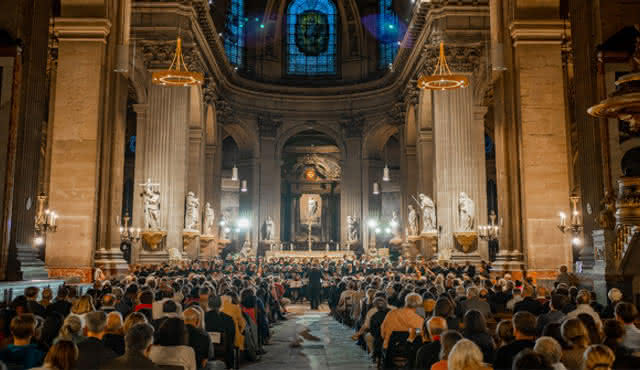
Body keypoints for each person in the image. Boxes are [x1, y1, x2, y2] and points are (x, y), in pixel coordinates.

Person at [204, 295, 235, 369]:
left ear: (208, 304)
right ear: (221, 304)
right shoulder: (228, 318)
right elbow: (232, 335)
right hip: (224, 350)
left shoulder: (203, 317)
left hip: (206, 350)